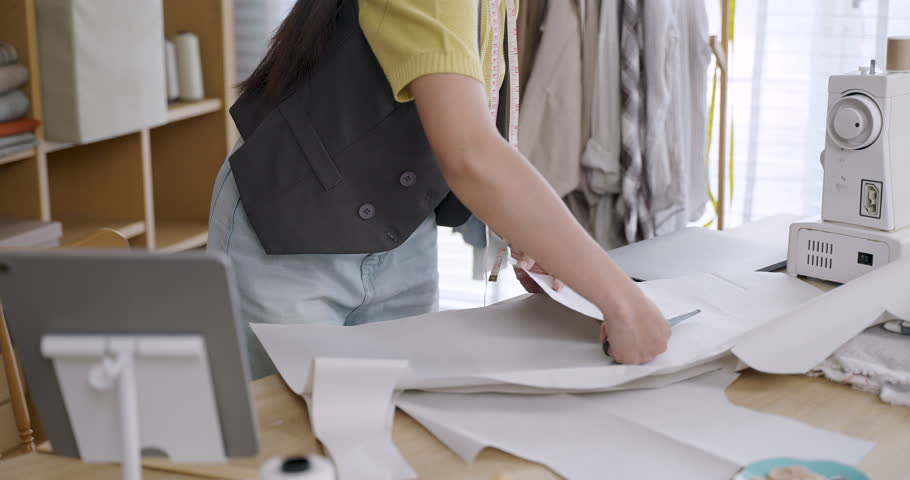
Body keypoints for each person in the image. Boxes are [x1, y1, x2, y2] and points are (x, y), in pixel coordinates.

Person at [208, 0, 670, 379]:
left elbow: (469, 123)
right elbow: (469, 154)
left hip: (400, 232)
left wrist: (529, 232)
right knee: (288, 439)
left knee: (397, 426)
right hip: (289, 231)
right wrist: (623, 302)